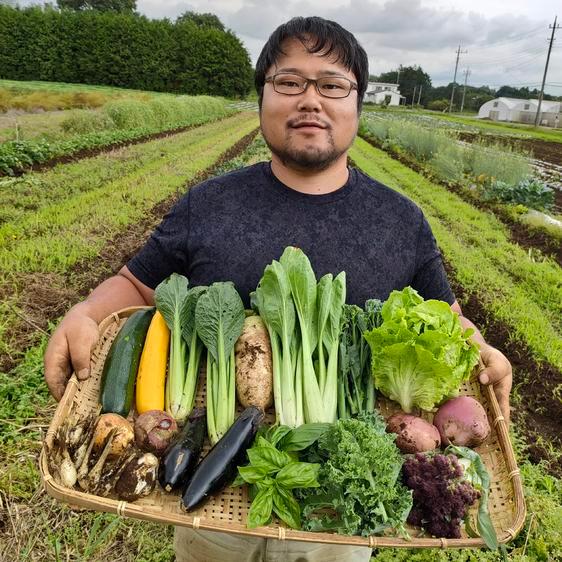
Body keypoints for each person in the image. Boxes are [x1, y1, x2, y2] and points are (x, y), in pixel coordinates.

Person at [44, 16, 512, 562]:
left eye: (332, 85)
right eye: (289, 82)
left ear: (357, 103)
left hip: (336, 513)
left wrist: (479, 348)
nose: (309, 100)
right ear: (262, 96)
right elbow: (135, 284)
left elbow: (444, 316)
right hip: (214, 492)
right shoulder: (210, 204)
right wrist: (85, 312)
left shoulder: (400, 220)